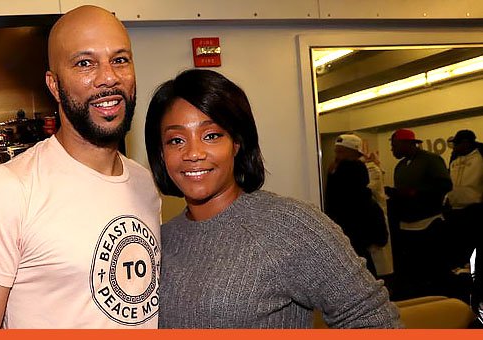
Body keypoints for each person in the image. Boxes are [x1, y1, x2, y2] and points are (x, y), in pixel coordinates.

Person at [0, 5, 161, 329]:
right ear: (55, 85)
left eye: (119, 60)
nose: (108, 78)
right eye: (85, 63)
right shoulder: (6, 192)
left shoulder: (145, 183)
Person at [145, 69, 401, 328]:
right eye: (176, 140)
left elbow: (373, 318)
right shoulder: (159, 239)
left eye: (211, 136)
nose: (193, 153)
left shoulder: (288, 225)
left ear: (236, 142)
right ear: (162, 153)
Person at [385, 128, 452, 297]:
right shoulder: (400, 166)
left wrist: (415, 193)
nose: (392, 150)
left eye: (394, 145)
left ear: (407, 143)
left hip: (428, 224)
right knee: (413, 273)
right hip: (406, 226)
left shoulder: (431, 160)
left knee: (432, 270)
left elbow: (444, 185)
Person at [325, 134, 387, 276]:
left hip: (355, 226)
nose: (337, 155)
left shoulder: (354, 168)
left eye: (341, 151)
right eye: (336, 151)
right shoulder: (339, 168)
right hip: (348, 226)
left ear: (352, 151)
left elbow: (354, 200)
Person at [443, 130, 483, 268]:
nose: (454, 147)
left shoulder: (480, 157)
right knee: (458, 248)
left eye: (456, 144)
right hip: (454, 211)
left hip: (475, 211)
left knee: (473, 248)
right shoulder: (454, 158)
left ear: (466, 143)